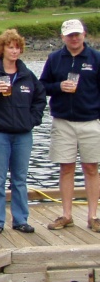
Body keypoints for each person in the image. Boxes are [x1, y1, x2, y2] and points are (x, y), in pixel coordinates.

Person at [0, 29, 46, 235]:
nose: (14, 51)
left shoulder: (27, 75)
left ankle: (21, 220)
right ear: (2, 49)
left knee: (20, 179)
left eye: (17, 47)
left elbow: (40, 99)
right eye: (10, 47)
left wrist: (32, 120)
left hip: (22, 134)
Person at [39, 19, 100, 232]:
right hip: (63, 120)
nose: (74, 38)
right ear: (63, 37)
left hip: (90, 120)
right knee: (66, 168)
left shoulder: (96, 58)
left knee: (91, 168)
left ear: (84, 34)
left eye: (77, 34)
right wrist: (59, 86)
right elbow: (42, 86)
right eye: (69, 35)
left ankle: (93, 216)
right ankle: (66, 215)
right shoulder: (55, 59)